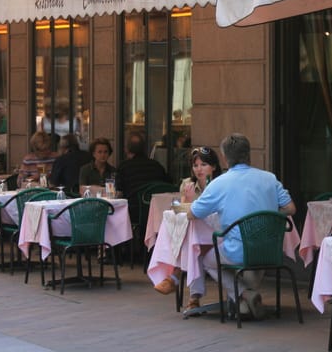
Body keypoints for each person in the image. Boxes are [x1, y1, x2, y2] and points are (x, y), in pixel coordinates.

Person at [190, 133, 295, 320]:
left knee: (207, 259)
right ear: (249, 155)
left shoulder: (219, 184)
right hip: (270, 249)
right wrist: (266, 217)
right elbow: (290, 208)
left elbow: (193, 213)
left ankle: (244, 294)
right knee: (240, 257)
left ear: (224, 157)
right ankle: (243, 304)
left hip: (238, 251)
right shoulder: (270, 178)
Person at [153, 146, 223, 309]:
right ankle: (192, 296)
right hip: (197, 236)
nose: (199, 169)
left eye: (203, 165)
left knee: (193, 246)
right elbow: (181, 213)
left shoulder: (220, 184)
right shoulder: (187, 184)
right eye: (195, 165)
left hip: (218, 233)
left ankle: (176, 277)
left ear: (213, 166)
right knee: (192, 245)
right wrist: (186, 199)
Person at [115, 131, 169, 220]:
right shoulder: (156, 166)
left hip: (134, 212)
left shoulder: (124, 167)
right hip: (157, 211)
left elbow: (119, 194)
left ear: (126, 149)